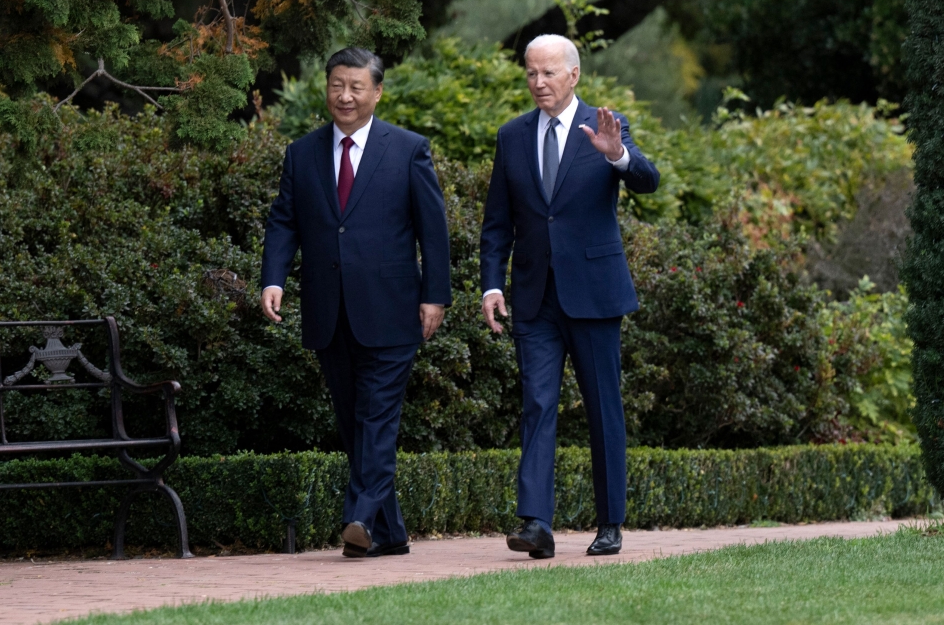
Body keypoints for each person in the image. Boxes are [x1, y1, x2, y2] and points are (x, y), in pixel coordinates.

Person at [260, 47, 452, 558]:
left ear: (377, 92)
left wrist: (435, 296)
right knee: (352, 420)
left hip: (393, 306)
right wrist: (273, 279)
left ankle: (360, 517)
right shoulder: (302, 153)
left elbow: (433, 230)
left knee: (377, 416)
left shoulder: (408, 149)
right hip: (329, 310)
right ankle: (389, 533)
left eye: (356, 87)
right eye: (336, 86)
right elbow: (284, 221)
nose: (345, 96)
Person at [479, 34, 660, 558]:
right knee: (537, 404)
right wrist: (492, 283)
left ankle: (610, 523)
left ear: (574, 75)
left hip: (594, 294)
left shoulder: (607, 125)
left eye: (549, 73)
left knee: (603, 408)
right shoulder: (512, 135)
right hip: (534, 297)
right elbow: (497, 223)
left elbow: (648, 180)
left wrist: (618, 155)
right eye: (531, 73)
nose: (538, 82)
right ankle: (536, 524)